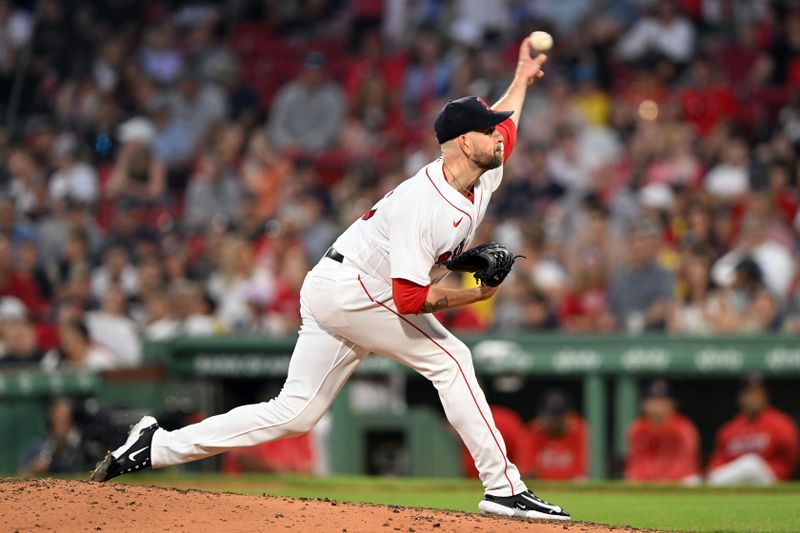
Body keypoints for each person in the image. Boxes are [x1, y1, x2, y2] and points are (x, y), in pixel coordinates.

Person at [90, 38, 570, 521]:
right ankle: (503, 487)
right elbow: (406, 299)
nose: (501, 137)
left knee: (296, 412)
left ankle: (156, 447)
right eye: (488, 133)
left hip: (336, 285)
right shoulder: (422, 205)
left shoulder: (482, 171)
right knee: (452, 358)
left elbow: (507, 117)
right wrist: (475, 295)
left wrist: (522, 78)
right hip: (356, 288)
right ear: (466, 142)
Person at [707, 374, 799, 485]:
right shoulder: (730, 429)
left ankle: (704, 483)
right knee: (747, 464)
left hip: (771, 479)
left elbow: (791, 457)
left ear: (765, 396)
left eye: (758, 393)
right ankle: (698, 482)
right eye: (749, 393)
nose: (754, 398)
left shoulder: (781, 424)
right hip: (737, 482)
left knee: (751, 463)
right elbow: (719, 461)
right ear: (740, 398)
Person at [624, 380, 700, 484]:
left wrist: (664, 482)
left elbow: (685, 464)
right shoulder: (638, 428)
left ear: (673, 404)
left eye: (663, 400)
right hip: (647, 483)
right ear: (644, 404)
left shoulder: (684, 428)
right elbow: (636, 465)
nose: (659, 405)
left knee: (692, 481)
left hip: (680, 483)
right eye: (654, 400)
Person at [19, 398, 92, 475]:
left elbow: (86, 470)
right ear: (51, 420)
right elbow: (22, 472)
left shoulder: (82, 445)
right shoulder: (39, 445)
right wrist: (35, 468)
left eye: (67, 420)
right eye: (59, 420)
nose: (63, 425)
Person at [527, 390, 588, 481]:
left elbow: (583, 470)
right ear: (540, 416)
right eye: (550, 417)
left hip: (572, 487)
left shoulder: (580, 429)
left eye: (559, 416)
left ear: (569, 415)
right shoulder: (533, 431)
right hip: (542, 488)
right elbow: (528, 471)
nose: (555, 421)